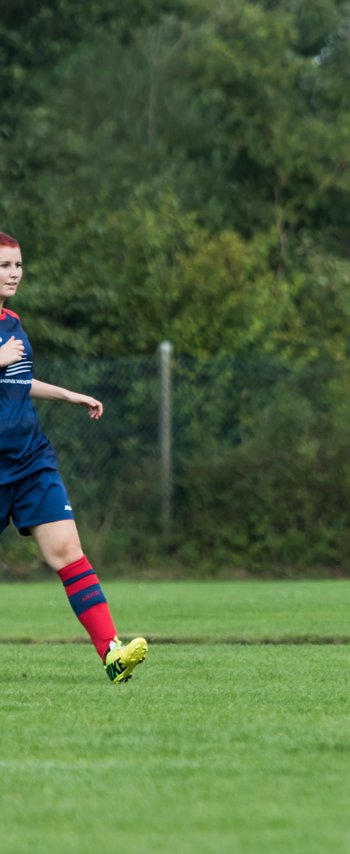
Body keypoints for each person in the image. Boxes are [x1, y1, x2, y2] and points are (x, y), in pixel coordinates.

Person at [0, 232, 147, 682]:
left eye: (18, 265)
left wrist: (67, 394)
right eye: (5, 266)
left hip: (29, 460)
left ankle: (112, 654)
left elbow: (17, 381)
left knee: (67, 551)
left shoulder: (12, 322)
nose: (14, 273)